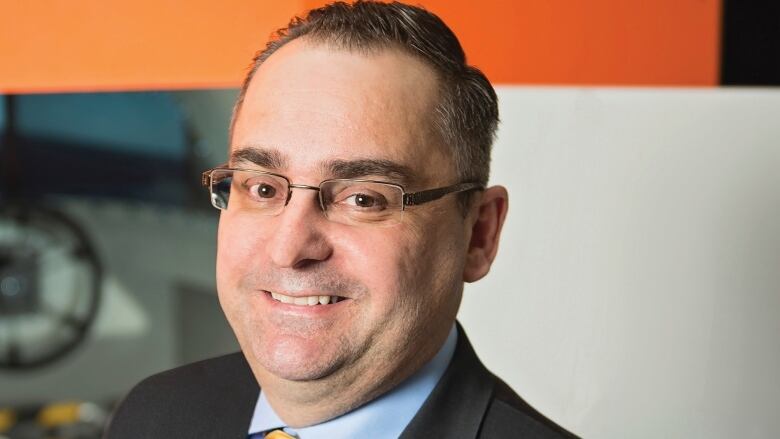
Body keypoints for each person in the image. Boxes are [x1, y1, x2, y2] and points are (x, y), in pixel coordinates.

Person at [106, 1, 578, 438]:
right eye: (264, 188)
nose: (288, 248)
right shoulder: (155, 416)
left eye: (363, 199)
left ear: (478, 235)